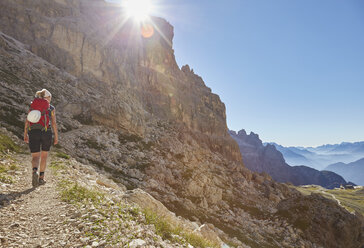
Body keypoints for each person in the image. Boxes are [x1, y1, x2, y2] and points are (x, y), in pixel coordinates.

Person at [24, 89, 58, 186]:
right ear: (47, 97)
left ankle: (34, 171)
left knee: (35, 156)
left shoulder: (33, 105)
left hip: (33, 132)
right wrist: (56, 136)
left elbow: (27, 121)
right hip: (46, 132)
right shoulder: (51, 108)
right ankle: (41, 178)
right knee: (44, 156)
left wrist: (25, 134)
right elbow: (54, 123)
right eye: (50, 97)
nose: (50, 99)